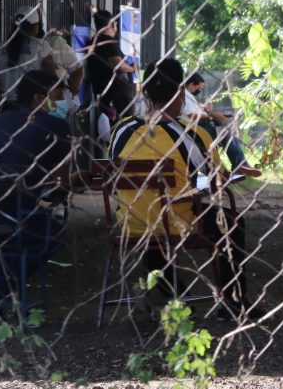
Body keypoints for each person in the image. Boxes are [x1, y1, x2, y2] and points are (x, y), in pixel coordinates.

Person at [109, 58, 258, 319]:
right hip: (177, 221)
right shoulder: (192, 134)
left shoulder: (121, 130)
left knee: (154, 213)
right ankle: (234, 301)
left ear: (145, 93)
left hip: (129, 221)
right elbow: (209, 181)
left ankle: (171, 291)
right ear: (180, 93)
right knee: (232, 222)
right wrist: (196, 182)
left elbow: (113, 169)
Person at [0, 70, 75, 299]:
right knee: (54, 234)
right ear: (39, 98)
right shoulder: (57, 127)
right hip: (17, 217)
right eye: (57, 96)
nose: (62, 103)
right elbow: (61, 183)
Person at [181, 73, 260, 177]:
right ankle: (239, 165)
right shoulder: (184, 96)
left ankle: (239, 165)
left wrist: (207, 111)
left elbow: (195, 113)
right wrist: (211, 116)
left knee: (228, 134)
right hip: (196, 129)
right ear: (191, 85)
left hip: (200, 127)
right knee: (226, 134)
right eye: (199, 88)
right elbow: (193, 116)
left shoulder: (189, 96)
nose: (199, 91)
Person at [0, 5, 56, 104]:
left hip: (9, 103)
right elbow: (51, 76)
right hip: (33, 103)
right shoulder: (41, 46)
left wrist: (4, 89)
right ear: (35, 26)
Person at [86, 9, 137, 122]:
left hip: (106, 96)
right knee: (126, 125)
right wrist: (133, 68)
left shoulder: (94, 41)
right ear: (112, 23)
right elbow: (119, 66)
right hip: (117, 98)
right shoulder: (108, 42)